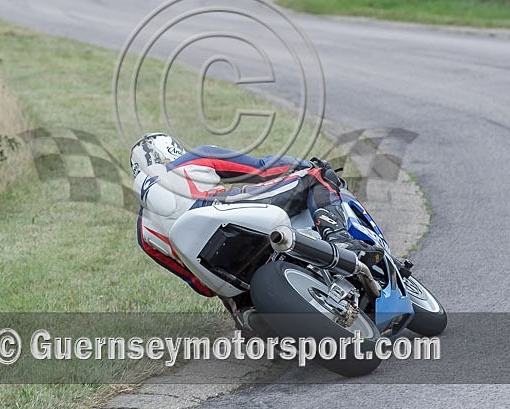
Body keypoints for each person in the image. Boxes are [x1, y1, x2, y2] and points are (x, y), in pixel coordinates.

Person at [130, 132, 374, 332]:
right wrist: (307, 165)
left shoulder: (144, 233)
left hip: (221, 275)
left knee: (229, 297)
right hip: (227, 211)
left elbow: (201, 286)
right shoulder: (194, 158)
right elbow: (262, 169)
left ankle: (244, 312)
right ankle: (341, 241)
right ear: (172, 149)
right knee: (314, 177)